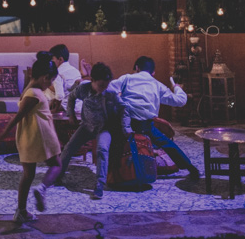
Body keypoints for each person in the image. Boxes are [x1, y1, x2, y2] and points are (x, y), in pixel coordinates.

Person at [0, 51, 64, 223]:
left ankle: (21, 211)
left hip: (28, 136)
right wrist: (3, 133)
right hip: (41, 135)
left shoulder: (30, 89)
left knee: (28, 174)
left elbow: (30, 94)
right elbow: (18, 116)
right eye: (51, 80)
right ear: (45, 77)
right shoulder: (35, 94)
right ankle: (42, 188)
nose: (51, 85)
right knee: (56, 165)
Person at [107, 56, 200, 180]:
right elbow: (180, 101)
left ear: (137, 68)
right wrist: (177, 88)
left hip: (126, 123)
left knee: (113, 138)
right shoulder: (157, 85)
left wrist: (119, 98)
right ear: (153, 72)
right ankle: (190, 167)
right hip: (146, 126)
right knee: (167, 143)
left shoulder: (127, 79)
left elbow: (107, 90)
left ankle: (113, 171)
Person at [57, 62, 131, 200]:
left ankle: (99, 185)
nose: (103, 88)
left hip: (104, 128)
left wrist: (126, 127)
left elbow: (124, 108)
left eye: (106, 85)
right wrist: (71, 114)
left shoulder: (111, 94)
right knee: (68, 149)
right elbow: (71, 98)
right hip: (86, 126)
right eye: (101, 85)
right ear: (92, 81)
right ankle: (58, 176)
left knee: (102, 150)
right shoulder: (83, 89)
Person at [44, 44, 82, 114]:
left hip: (63, 107)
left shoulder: (57, 73)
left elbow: (60, 95)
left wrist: (54, 110)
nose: (51, 62)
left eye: (52, 59)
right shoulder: (76, 71)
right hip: (77, 106)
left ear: (60, 59)